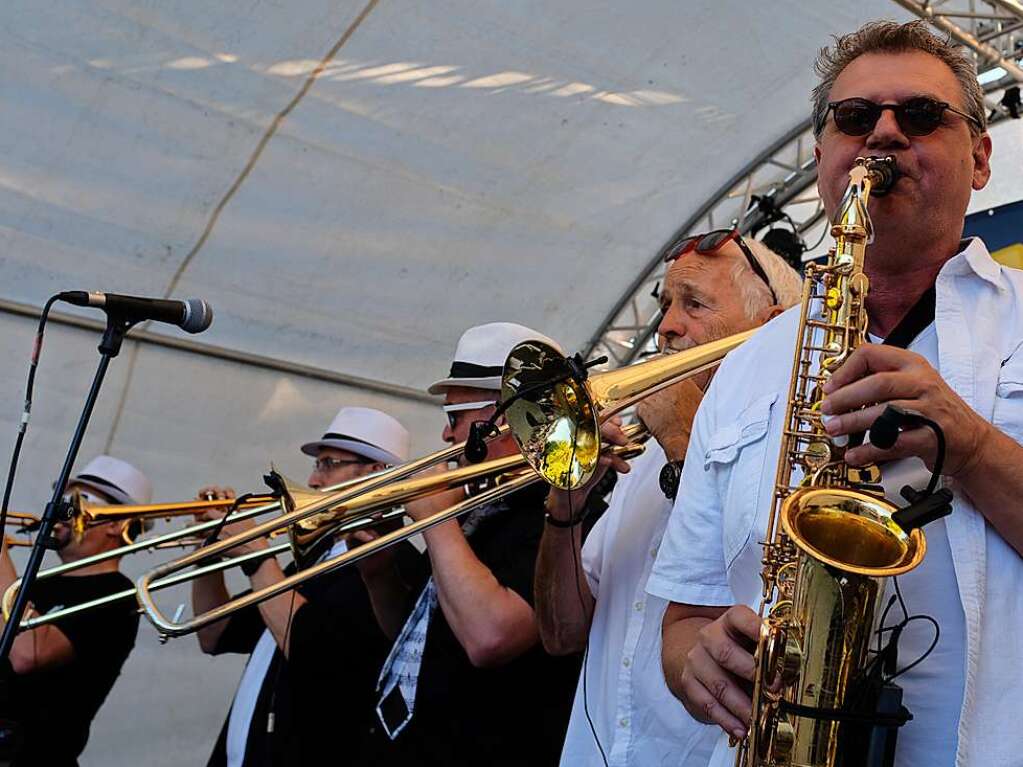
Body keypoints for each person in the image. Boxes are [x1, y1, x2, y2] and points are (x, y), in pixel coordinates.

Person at [651, 19, 1023, 767]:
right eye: (854, 119)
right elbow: (682, 617)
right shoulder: (749, 364)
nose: (882, 135)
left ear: (979, 158)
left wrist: (972, 445)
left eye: (919, 116)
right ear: (822, 157)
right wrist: (695, 662)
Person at [534, 235, 801, 767]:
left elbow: (770, 590)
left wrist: (683, 439)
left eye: (694, 304)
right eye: (663, 306)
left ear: (768, 327)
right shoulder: (646, 455)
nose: (666, 328)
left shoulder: (795, 446)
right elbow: (561, 632)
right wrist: (566, 507)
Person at [360, 322, 590, 766]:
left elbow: (490, 636)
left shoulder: (567, 511)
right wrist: (378, 572)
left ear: (503, 419)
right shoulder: (478, 505)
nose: (447, 437)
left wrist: (433, 520)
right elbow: (422, 635)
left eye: (455, 419)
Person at [195, 406, 413, 767]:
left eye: (328, 464)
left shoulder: (390, 564)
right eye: (317, 464)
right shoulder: (315, 555)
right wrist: (210, 553)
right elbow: (213, 634)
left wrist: (257, 557)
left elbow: (315, 653)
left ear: (376, 473)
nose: (312, 480)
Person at [0, 455, 152, 766]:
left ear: (115, 524)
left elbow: (28, 654)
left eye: (74, 506)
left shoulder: (117, 597)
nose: (60, 515)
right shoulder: (39, 583)